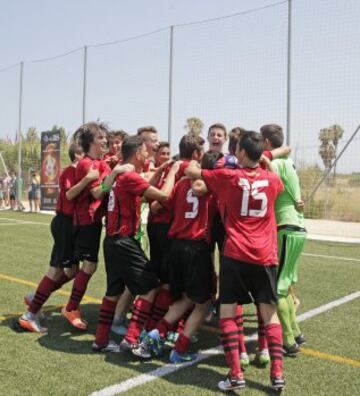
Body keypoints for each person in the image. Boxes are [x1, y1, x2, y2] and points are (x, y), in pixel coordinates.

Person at [185, 131, 285, 392]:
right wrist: (266, 162)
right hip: (265, 255)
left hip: (236, 253)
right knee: (269, 315)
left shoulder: (227, 176)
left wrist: (195, 161)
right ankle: (277, 374)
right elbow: (273, 173)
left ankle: (236, 375)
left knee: (228, 313)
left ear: (240, 153)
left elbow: (193, 171)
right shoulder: (273, 180)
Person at [92, 135, 179, 357]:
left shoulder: (123, 175)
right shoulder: (129, 176)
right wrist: (172, 173)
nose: (148, 153)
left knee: (114, 291)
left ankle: (101, 340)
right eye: (145, 150)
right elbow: (164, 196)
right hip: (123, 241)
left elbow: (141, 189)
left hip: (111, 241)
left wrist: (160, 171)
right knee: (151, 287)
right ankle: (131, 338)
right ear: (137, 153)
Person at [144, 150, 221, 364]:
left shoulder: (181, 183)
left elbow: (157, 205)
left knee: (185, 297)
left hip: (176, 246)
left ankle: (155, 334)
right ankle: (180, 350)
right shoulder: (214, 185)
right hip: (196, 248)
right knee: (204, 303)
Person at [16, 144, 99, 332]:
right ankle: (29, 314)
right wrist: (88, 178)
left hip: (71, 224)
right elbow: (70, 194)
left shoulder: (78, 169)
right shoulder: (71, 170)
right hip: (65, 223)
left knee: (71, 271)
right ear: (78, 155)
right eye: (85, 155)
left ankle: (35, 297)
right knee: (55, 270)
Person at [61, 122, 129, 330]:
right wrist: (115, 173)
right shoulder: (86, 164)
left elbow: (108, 168)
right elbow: (98, 193)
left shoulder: (100, 162)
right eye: (101, 138)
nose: (105, 141)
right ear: (91, 141)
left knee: (79, 268)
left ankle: (62, 303)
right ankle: (71, 307)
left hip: (93, 222)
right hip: (85, 221)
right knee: (88, 266)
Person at [260, 123, 307, 357]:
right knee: (285, 285)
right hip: (297, 227)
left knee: (275, 288)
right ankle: (296, 332)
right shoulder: (289, 162)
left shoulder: (276, 163)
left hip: (286, 227)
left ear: (267, 143)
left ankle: (287, 341)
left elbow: (269, 184)